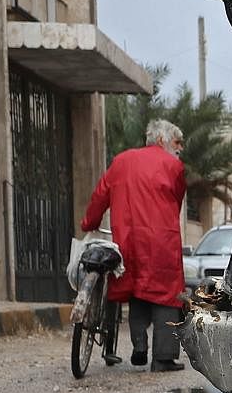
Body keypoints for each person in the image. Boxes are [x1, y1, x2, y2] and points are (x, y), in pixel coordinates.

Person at [81, 120, 188, 372]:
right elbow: (177, 200)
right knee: (165, 298)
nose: (180, 148)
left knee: (136, 291)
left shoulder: (120, 161)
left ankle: (139, 345)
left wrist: (89, 223)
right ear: (161, 141)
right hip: (161, 242)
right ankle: (162, 359)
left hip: (127, 240)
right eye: (177, 142)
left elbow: (100, 196)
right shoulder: (174, 166)